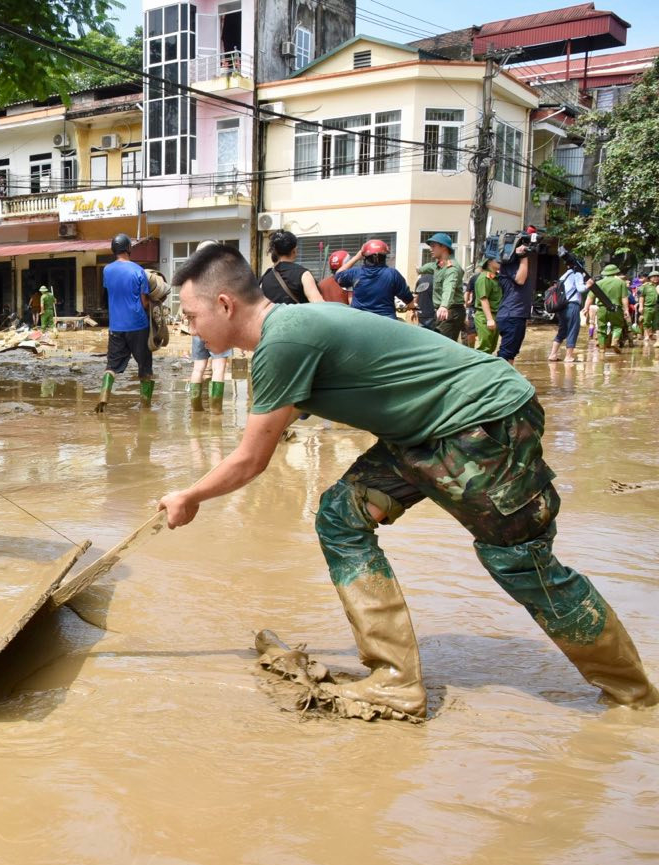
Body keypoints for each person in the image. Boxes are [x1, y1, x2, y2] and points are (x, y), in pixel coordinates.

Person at [156, 242, 657, 718]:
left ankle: (634, 697)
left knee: (520, 559)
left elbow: (250, 460)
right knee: (340, 516)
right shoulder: (289, 330)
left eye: (192, 316)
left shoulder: (283, 340)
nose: (191, 328)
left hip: (481, 421)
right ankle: (395, 679)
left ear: (223, 305)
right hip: (419, 435)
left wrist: (190, 496)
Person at [95, 233, 155, 412]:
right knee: (145, 367)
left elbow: (110, 293)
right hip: (138, 325)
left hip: (116, 326)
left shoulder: (106, 270)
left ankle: (104, 395)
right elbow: (144, 302)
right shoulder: (138, 271)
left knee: (111, 366)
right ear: (129, 248)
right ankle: (145, 407)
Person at [335, 239, 414, 319]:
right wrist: (413, 307)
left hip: (359, 321)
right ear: (384, 256)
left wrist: (356, 257)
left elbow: (338, 275)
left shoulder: (356, 273)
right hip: (387, 323)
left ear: (365, 257)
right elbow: (409, 301)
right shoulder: (393, 274)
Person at [494, 240, 535, 363]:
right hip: (511, 314)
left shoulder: (515, 264)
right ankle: (499, 380)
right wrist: (523, 257)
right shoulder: (510, 264)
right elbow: (520, 280)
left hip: (516, 314)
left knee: (510, 353)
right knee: (506, 354)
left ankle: (508, 380)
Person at [259, 230, 323, 304]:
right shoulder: (304, 275)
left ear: (275, 251)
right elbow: (319, 305)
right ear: (294, 250)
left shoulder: (264, 278)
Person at [423, 233, 466, 341]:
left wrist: (444, 306)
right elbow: (429, 267)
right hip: (444, 311)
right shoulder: (440, 265)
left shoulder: (451, 268)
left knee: (444, 347)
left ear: (443, 247)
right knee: (439, 344)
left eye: (433, 246)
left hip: (450, 311)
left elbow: (449, 287)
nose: (430, 249)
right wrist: (419, 269)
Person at [548, 265, 591, 363]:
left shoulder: (564, 275)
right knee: (573, 329)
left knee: (562, 330)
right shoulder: (577, 274)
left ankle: (553, 354)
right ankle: (569, 356)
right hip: (572, 305)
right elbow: (581, 289)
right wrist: (588, 285)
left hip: (562, 306)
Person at [188, 333, 230, 414]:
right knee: (218, 369)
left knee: (197, 369)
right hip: (219, 329)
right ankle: (215, 409)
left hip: (198, 330)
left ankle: (196, 407)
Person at [594, 264, 630, 353]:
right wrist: (626, 310)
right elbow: (624, 298)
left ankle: (602, 349)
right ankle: (614, 341)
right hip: (616, 308)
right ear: (616, 272)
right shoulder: (621, 282)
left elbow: (590, 297)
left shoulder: (599, 283)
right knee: (617, 326)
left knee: (601, 328)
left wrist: (586, 308)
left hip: (602, 308)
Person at [472, 255, 503, 355]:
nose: (500, 261)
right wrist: (489, 319)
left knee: (491, 347)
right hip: (485, 316)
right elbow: (483, 299)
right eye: (497, 259)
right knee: (484, 348)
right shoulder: (484, 278)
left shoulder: (495, 278)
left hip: (494, 314)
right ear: (489, 262)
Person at [460, 268, 479, 348]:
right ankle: (469, 348)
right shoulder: (473, 279)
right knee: (469, 331)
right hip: (471, 308)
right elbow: (467, 293)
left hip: (472, 308)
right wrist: (466, 304)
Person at [640, 270, 659, 343]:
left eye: (657, 277)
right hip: (648, 307)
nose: (656, 278)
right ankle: (646, 336)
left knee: (657, 323)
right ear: (650, 278)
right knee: (646, 322)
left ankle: (658, 340)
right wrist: (641, 306)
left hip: (657, 307)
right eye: (654, 277)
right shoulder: (645, 286)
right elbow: (641, 297)